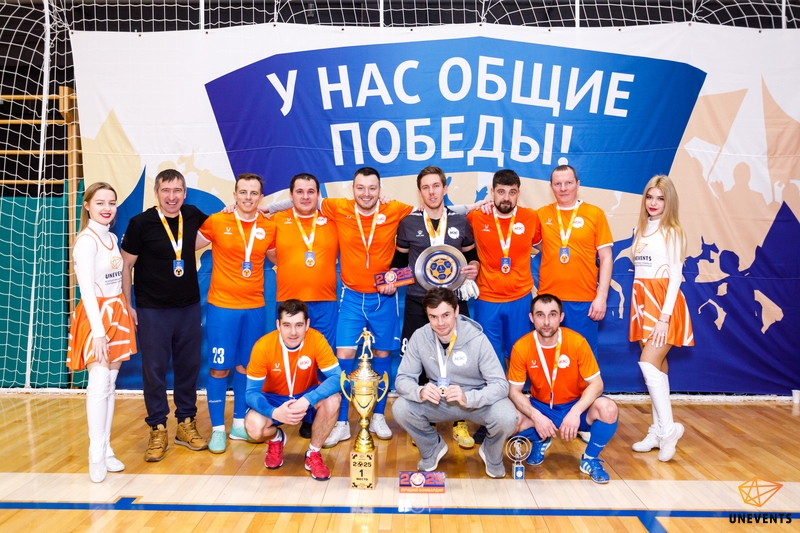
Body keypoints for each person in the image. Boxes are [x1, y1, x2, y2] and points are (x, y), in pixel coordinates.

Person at [319, 167, 415, 446]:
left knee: (382, 354)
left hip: (383, 298)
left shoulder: (394, 209)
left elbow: (432, 212)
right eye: (360, 187)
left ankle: (378, 416)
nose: (366, 193)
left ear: (380, 189)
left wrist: (478, 205)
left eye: (372, 188)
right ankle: (341, 422)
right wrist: (263, 208)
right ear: (353, 189)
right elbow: (304, 200)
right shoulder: (338, 207)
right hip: (351, 297)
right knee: (343, 355)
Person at [121, 168, 209, 462]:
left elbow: (217, 231)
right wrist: (128, 304)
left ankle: (186, 423)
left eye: (177, 191)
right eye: (166, 191)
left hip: (188, 308)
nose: (172, 197)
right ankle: (157, 427)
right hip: (152, 310)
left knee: (188, 368)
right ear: (156, 193)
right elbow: (126, 266)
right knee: (154, 371)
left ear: (185, 193)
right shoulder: (140, 223)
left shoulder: (193, 215)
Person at [394, 165, 481, 449]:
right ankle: (423, 423)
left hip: (453, 303)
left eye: (436, 186)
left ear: (445, 188)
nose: (431, 192)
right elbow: (399, 263)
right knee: (417, 359)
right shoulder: (408, 223)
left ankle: (459, 421)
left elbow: (473, 257)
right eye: (426, 187)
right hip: (418, 302)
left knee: (460, 358)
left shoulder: (460, 222)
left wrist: (474, 268)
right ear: (420, 192)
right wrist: (391, 278)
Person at [392, 288, 517, 478]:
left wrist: (469, 397)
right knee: (401, 408)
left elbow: (500, 384)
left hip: (474, 402)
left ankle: (492, 454)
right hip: (438, 401)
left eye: (446, 315)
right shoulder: (419, 337)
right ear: (427, 315)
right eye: (433, 317)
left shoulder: (477, 338)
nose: (440, 323)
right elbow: (402, 379)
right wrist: (420, 392)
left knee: (508, 416)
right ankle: (432, 449)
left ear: (457, 311)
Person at [196, 173, 275, 453]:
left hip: (254, 308)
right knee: (219, 368)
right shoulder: (218, 221)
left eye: (254, 193)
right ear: (234, 195)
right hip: (223, 308)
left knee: (246, 367)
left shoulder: (269, 226)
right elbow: (184, 244)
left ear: (261, 197)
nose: (248, 198)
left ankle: (239, 424)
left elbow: (279, 257)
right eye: (243, 192)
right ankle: (218, 429)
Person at [67, 182, 137, 482]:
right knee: (97, 383)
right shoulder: (86, 241)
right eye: (100, 203)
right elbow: (85, 290)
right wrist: (97, 333)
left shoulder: (111, 236)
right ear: (87, 205)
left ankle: (106, 449)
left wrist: (125, 308)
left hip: (116, 311)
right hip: (95, 317)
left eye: (111, 202)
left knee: (109, 384)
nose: (107, 208)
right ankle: (95, 454)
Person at [508, 294, 619, 484]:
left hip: (574, 404)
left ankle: (590, 458)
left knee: (608, 409)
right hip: (541, 406)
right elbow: (514, 391)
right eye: (540, 315)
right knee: (509, 420)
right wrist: (536, 416)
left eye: (552, 315)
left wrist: (576, 412)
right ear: (531, 318)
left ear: (561, 317)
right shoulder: (521, 346)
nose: (546, 322)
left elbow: (597, 384)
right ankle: (540, 439)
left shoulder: (577, 342)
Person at [468, 169, 541, 444]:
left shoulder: (531, 218)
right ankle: (490, 418)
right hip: (487, 299)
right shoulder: (477, 216)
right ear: (492, 192)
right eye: (501, 192)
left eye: (512, 192)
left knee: (518, 358)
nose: (506, 198)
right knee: (489, 361)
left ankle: (524, 414)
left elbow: (547, 244)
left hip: (520, 299)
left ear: (518, 193)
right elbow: (447, 218)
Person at [267, 173, 339, 439]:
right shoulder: (277, 220)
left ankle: (314, 416)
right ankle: (286, 410)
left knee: (322, 362)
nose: (305, 196)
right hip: (289, 302)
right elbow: (272, 254)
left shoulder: (332, 220)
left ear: (318, 194)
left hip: (325, 301)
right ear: (291, 195)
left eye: (311, 192)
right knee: (291, 360)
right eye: (300, 191)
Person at [629, 175, 693, 462]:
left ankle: (668, 432)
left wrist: (664, 317)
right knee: (658, 368)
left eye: (660, 198)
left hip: (664, 304)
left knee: (647, 363)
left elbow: (676, 276)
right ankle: (657, 431)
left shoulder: (673, 231)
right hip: (643, 301)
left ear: (670, 202)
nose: (653, 203)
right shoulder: (642, 229)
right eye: (650, 197)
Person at [244, 299, 342, 481]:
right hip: (274, 399)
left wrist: (308, 399)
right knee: (253, 427)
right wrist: (274, 412)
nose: (293, 332)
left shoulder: (316, 339)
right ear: (278, 325)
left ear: (307, 324)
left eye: (299, 325)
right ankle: (276, 439)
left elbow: (338, 378)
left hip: (306, 395)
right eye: (287, 325)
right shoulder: (263, 346)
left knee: (333, 399)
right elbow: (251, 393)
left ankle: (313, 453)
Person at [537, 165, 613, 356]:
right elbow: (511, 217)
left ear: (578, 184)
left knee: (583, 356)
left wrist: (601, 296)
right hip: (549, 301)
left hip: (584, 300)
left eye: (568, 183)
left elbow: (606, 257)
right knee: (550, 355)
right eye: (558, 184)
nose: (563, 188)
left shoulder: (595, 214)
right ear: (551, 187)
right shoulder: (540, 215)